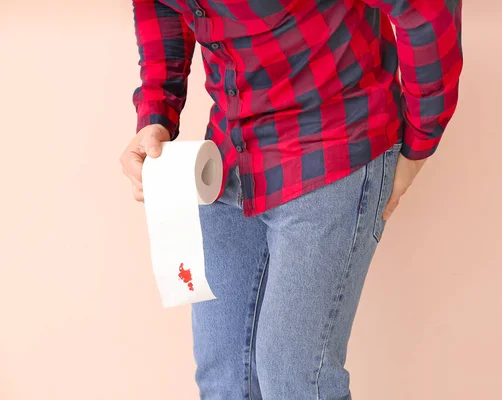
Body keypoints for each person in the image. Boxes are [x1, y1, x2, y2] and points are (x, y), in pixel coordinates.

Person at [120, 0, 463, 398]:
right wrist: (155, 117)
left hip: (332, 143)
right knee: (225, 377)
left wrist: (419, 145)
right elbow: (159, 10)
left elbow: (426, 10)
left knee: (295, 379)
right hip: (230, 158)